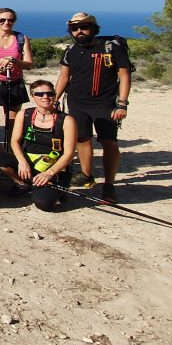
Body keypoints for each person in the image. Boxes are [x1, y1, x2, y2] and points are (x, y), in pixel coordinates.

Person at [54, 12, 131, 202]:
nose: (79, 31)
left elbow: (124, 75)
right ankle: (86, 174)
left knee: (109, 142)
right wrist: (54, 99)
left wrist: (122, 103)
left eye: (84, 27)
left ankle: (109, 184)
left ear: (93, 29)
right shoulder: (70, 50)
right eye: (75, 28)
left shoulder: (111, 48)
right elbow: (64, 76)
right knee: (82, 138)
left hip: (105, 103)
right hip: (77, 102)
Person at [0, 80, 77, 210]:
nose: (45, 97)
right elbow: (14, 141)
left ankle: (53, 187)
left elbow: (69, 153)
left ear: (54, 95)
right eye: (40, 94)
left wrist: (49, 173)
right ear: (32, 96)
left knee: (44, 204)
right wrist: (22, 161)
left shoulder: (66, 120)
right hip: (28, 162)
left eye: (49, 93)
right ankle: (24, 183)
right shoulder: (25, 114)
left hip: (52, 166)